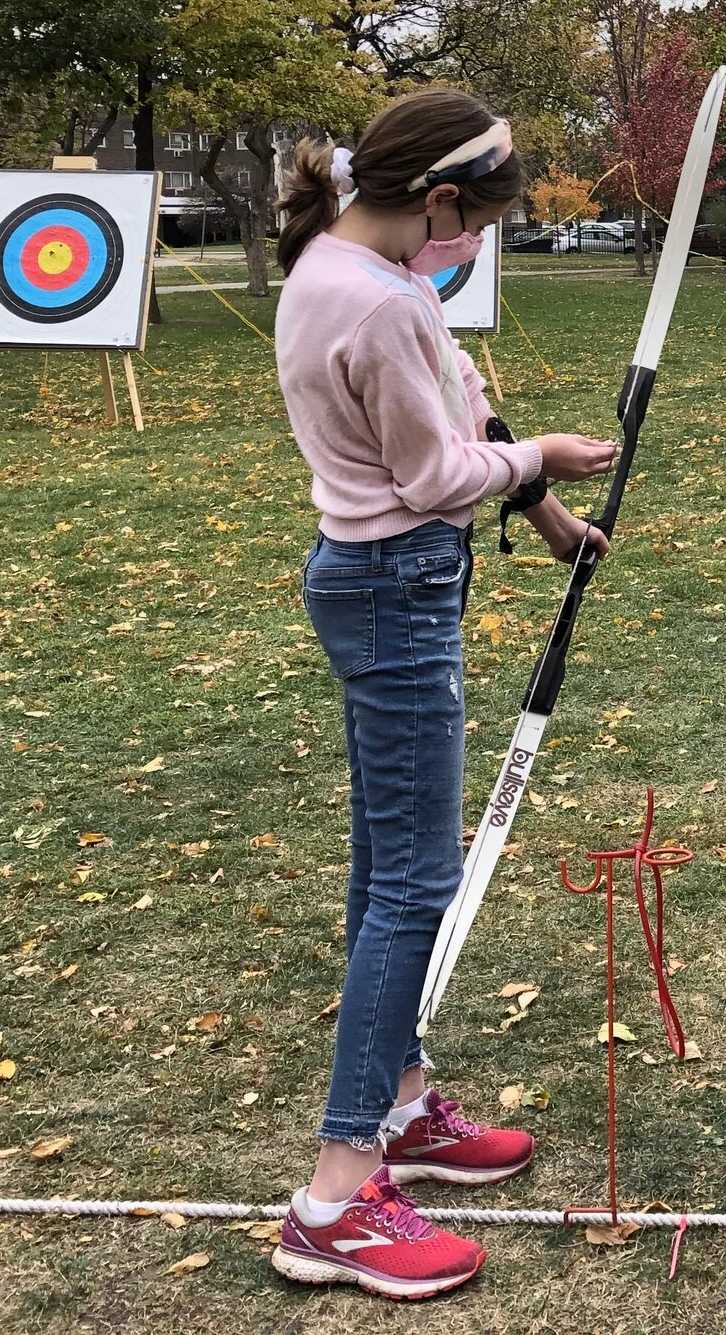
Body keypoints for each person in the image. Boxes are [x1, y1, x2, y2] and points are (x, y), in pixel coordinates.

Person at [265, 90, 618, 1300]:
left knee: (386, 862)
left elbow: (458, 403)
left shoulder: (346, 267)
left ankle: (404, 1108)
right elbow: (437, 469)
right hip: (394, 581)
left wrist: (552, 521)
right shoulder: (368, 298)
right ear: (439, 201)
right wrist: (544, 460)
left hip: (379, 580)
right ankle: (333, 1199)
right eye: (472, 224)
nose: (468, 247)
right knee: (415, 879)